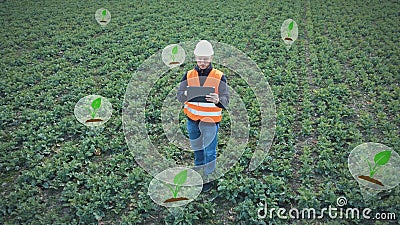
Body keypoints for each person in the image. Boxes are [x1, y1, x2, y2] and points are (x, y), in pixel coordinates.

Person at [177, 40, 229, 192]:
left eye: (205, 59)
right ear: (195, 57)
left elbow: (226, 101)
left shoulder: (219, 76)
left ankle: (208, 177)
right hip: (192, 121)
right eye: (200, 58)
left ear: (211, 58)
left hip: (210, 122)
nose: (202, 62)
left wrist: (218, 100)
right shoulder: (188, 75)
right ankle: (199, 171)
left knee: (210, 151)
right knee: (197, 148)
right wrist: (185, 94)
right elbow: (179, 95)